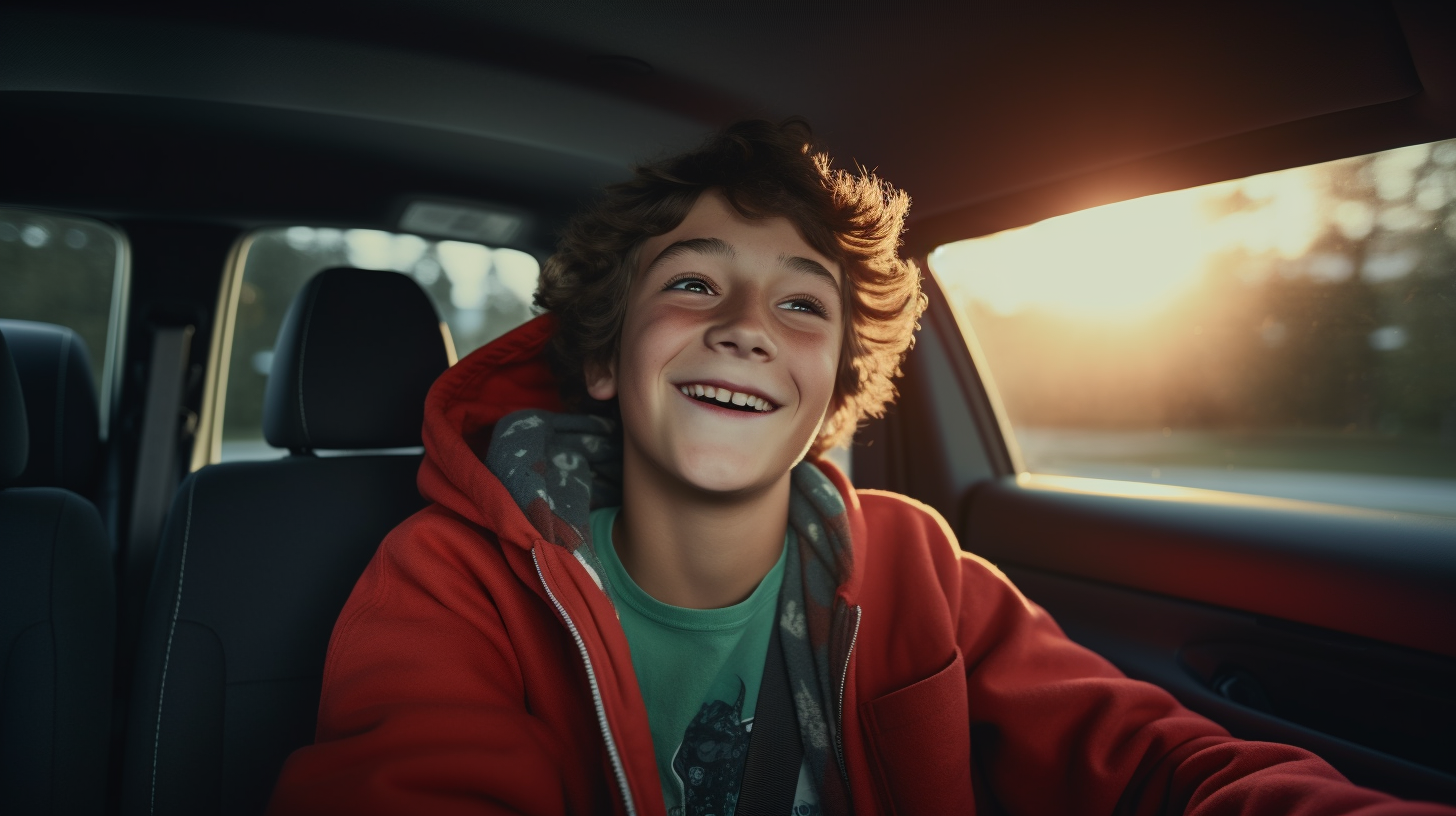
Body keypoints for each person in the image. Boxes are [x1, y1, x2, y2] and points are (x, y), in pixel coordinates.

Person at [267, 119, 1453, 816]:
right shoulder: (454, 579)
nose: (744, 325)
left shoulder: (913, 564)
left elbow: (1157, 761)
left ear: (834, 395)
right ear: (602, 364)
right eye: (691, 283)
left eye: (800, 306)